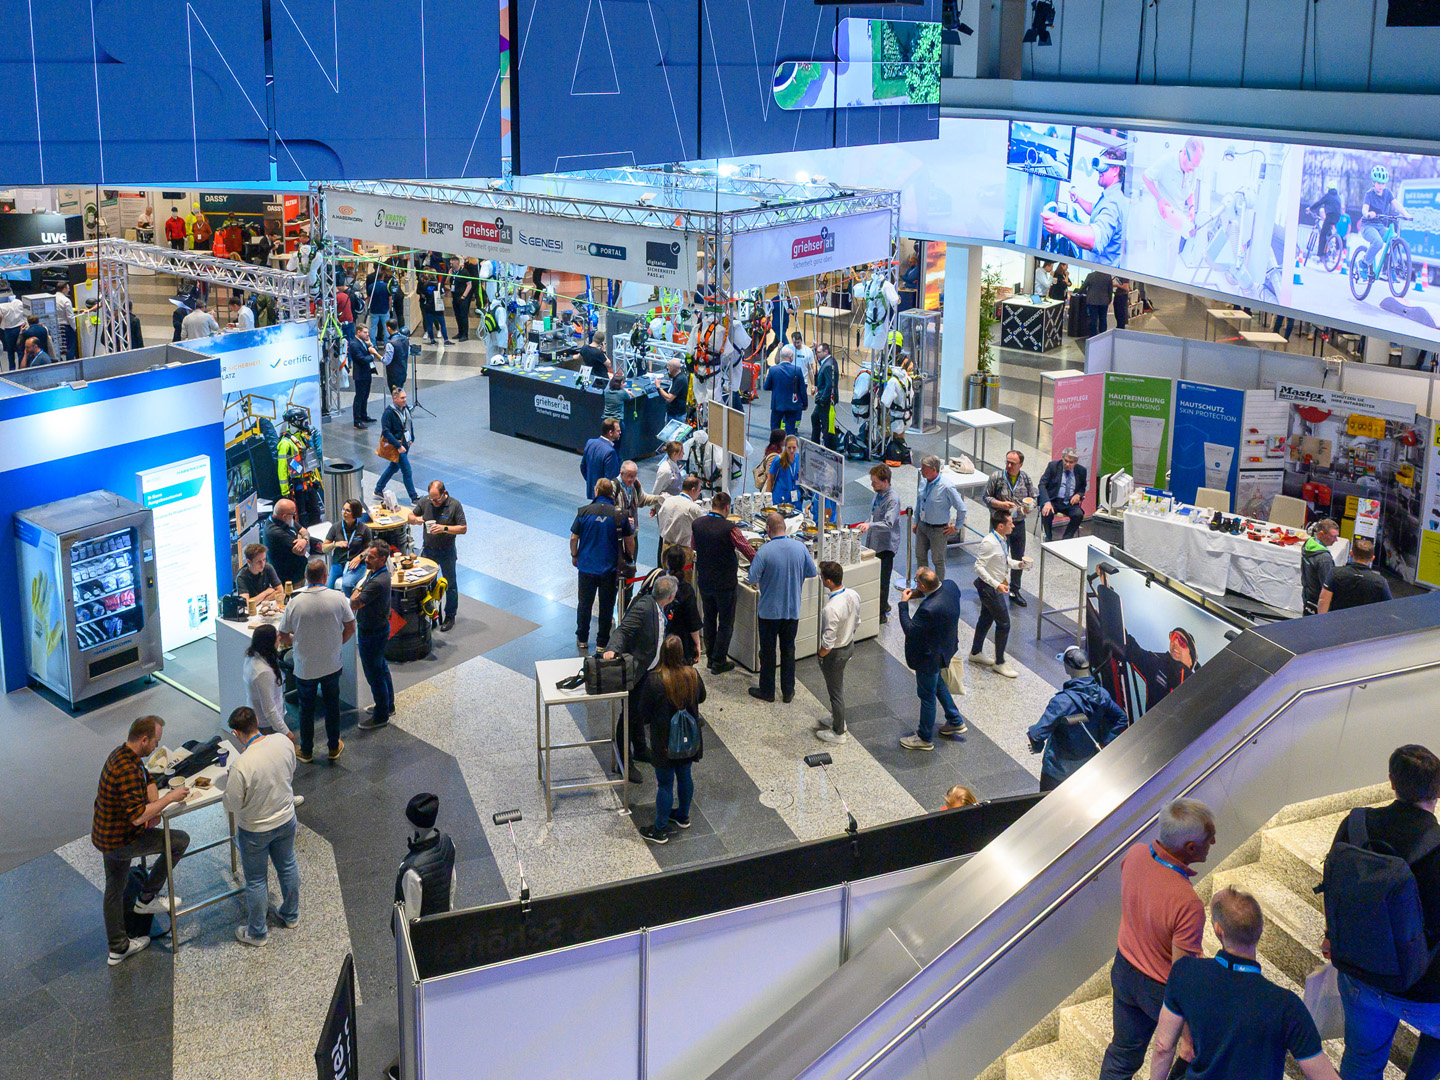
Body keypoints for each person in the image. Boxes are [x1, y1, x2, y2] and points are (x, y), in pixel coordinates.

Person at [1322, 744, 1440, 1080]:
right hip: (1426, 990)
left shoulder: (1356, 824)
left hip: (1360, 974)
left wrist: (1331, 936)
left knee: (1361, 1061)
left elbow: (1334, 887)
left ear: (1391, 782)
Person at [1149, 888, 1335, 1080]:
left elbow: (1163, 1047)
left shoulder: (1185, 972)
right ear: (1260, 930)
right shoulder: (1286, 1005)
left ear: (1218, 929)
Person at [1097, 798, 1216, 1080]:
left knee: (1122, 1055)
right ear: (1190, 847)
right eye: (1209, 838)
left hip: (1124, 969)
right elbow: (1181, 975)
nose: (1213, 842)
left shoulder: (1136, 854)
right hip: (1157, 989)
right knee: (1199, 1051)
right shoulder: (1188, 903)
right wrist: (1188, 1035)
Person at [92, 716, 191, 966]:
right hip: (121, 840)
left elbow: (146, 777)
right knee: (179, 840)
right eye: (156, 742)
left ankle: (118, 948)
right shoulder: (126, 768)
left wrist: (152, 807)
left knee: (114, 888)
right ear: (144, 739)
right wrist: (169, 799)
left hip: (105, 835)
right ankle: (147, 897)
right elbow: (137, 818)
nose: (157, 747)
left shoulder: (123, 755)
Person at [223, 706, 301, 947]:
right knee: (287, 865)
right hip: (286, 818)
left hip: (255, 830)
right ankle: (290, 915)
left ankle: (257, 932)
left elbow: (231, 803)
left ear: (236, 733)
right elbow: (291, 770)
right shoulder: (282, 741)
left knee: (256, 880)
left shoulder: (241, 764)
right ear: (257, 721)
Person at [278, 558, 355, 763]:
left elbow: (283, 635)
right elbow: (350, 627)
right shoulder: (338, 598)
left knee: (306, 709)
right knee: (331, 707)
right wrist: (337, 643)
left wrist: (296, 640)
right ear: (325, 575)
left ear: (306, 578)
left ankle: (307, 750)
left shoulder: (295, 603)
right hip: (332, 663)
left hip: (305, 667)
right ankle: (333, 747)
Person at [604, 575, 678, 783]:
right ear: (671, 596)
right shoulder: (644, 607)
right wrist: (611, 650)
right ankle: (624, 762)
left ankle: (640, 749)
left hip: (647, 670)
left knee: (639, 712)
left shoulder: (660, 607)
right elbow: (624, 630)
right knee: (628, 714)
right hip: (634, 672)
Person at [1027, 646, 1128, 790]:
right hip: (1087, 767)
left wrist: (1037, 746)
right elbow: (1121, 718)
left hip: (1057, 771)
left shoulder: (1061, 702)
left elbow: (1038, 734)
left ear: (1067, 668)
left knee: (1048, 807)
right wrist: (1106, 741)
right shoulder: (1102, 695)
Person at [637, 635, 706, 843]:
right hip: (689, 740)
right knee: (685, 776)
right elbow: (701, 697)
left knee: (665, 784)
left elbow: (644, 713)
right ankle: (683, 816)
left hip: (664, 742)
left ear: (663, 654)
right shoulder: (692, 674)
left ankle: (659, 829)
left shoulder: (654, 680)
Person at [747, 512, 818, 704]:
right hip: (792, 610)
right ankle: (788, 691)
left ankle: (767, 691)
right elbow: (812, 571)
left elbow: (752, 578)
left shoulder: (764, 551)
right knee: (788, 650)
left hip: (769, 612)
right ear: (785, 528)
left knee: (768, 652)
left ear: (768, 529)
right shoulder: (800, 548)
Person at [896, 567, 966, 751]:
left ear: (923, 585)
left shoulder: (928, 609)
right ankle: (955, 720)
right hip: (945, 648)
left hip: (928, 656)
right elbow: (934, 593)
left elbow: (910, 630)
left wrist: (903, 604)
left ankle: (924, 737)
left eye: (917, 582)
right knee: (937, 684)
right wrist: (918, 594)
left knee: (927, 696)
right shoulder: (951, 587)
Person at [690, 490, 754, 676]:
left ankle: (710, 657)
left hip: (705, 580)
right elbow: (748, 551)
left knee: (709, 619)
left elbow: (694, 546)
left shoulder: (698, 524)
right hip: (725, 583)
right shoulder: (730, 528)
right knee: (726, 622)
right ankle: (719, 661)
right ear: (727, 507)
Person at [572, 477, 635, 653]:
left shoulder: (584, 512)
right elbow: (630, 541)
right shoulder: (620, 514)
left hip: (586, 567)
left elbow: (573, 538)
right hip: (610, 569)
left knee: (584, 603)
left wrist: (574, 555)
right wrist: (629, 557)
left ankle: (582, 638)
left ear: (597, 491)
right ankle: (602, 642)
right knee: (607, 605)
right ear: (612, 493)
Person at [969, 508, 1029, 679]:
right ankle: (1000, 662)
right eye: (1010, 524)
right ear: (1001, 526)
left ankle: (975, 652)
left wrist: (1019, 565)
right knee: (1004, 624)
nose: (1013, 527)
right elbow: (978, 567)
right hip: (989, 588)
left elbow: (1003, 559)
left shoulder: (1001, 539)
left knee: (986, 618)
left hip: (993, 586)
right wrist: (997, 584)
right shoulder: (989, 542)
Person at [1043, 145, 1128, 266]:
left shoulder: (1113, 201)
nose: (1098, 170)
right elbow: (1097, 211)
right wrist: (1078, 200)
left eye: (1103, 165)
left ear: (1115, 170)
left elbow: (1095, 239)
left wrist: (1060, 226)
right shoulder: (1111, 196)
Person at [1141, 137, 1205, 278]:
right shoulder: (1167, 162)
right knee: (1160, 270)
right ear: (1184, 153)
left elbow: (1191, 191)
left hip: (1178, 225)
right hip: (1162, 224)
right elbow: (1146, 177)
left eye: (1196, 166)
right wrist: (1159, 199)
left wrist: (1192, 207)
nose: (1193, 169)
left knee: (1171, 269)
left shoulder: (1192, 170)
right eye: (1192, 165)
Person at [408, 480, 466, 631]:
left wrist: (444, 528)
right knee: (428, 583)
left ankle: (450, 616)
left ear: (444, 494)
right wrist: (416, 520)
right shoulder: (426, 501)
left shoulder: (454, 505)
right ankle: (432, 614)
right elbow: (410, 516)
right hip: (428, 550)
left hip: (447, 551)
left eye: (437, 499)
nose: (434, 502)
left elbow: (463, 528)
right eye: (431, 499)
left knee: (450, 584)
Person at [351, 540, 396, 731]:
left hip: (372, 632)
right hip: (377, 628)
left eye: (371, 557)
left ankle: (381, 716)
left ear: (383, 559)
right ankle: (388, 705)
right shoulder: (376, 572)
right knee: (381, 668)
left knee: (374, 673)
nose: (366, 559)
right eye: (367, 555)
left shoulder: (378, 581)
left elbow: (355, 603)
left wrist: (356, 591)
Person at [982, 450, 1037, 605]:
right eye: (1007, 462)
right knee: (995, 555)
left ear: (1020, 464)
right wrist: (1001, 504)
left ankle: (1014, 590)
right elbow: (985, 497)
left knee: (1018, 556)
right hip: (1000, 524)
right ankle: (992, 586)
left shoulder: (1025, 478)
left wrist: (1030, 506)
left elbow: (1034, 497)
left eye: (1013, 463)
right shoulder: (997, 477)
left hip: (1018, 523)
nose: (1009, 465)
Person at [816, 561, 860, 745]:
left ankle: (838, 731)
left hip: (835, 653)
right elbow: (857, 621)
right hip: (849, 644)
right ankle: (836, 718)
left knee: (835, 691)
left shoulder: (831, 608)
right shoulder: (853, 594)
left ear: (828, 582)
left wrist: (821, 654)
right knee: (837, 687)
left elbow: (828, 640)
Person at [395, 792, 456, 921]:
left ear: (414, 823)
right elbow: (451, 884)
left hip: (425, 935)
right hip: (444, 920)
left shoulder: (412, 870)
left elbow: (411, 919)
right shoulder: (448, 842)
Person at [856, 463, 901, 622]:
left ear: (885, 481)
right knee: (874, 577)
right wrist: (867, 523)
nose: (872, 484)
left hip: (885, 546)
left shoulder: (893, 500)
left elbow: (888, 524)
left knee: (882, 581)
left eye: (875, 482)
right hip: (873, 542)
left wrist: (870, 525)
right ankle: (882, 605)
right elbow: (873, 515)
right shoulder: (878, 493)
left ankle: (881, 614)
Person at [914, 455, 969, 581]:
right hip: (923, 525)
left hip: (938, 529)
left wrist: (956, 527)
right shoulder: (923, 481)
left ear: (934, 470)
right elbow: (919, 502)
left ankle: (939, 589)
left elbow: (961, 508)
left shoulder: (946, 486)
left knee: (938, 560)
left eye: (924, 468)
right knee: (920, 556)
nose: (921, 470)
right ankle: (922, 585)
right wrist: (916, 521)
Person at [1127, 626, 1201, 715]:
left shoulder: (1198, 683)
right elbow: (1133, 651)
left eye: (1182, 641)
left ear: (1191, 657)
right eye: (1173, 637)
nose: (1175, 642)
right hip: (1154, 727)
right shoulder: (1158, 663)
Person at [244, 624, 295, 743]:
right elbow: (269, 709)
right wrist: (286, 732)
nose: (280, 639)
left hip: (264, 720)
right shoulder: (263, 672)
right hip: (268, 725)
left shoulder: (252, 657)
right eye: (277, 637)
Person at [1361, 165, 1414, 276]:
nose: (1381, 186)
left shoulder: (1387, 193)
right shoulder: (1369, 194)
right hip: (1368, 226)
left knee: (1395, 239)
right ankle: (1364, 263)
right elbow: (1364, 209)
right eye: (1379, 183)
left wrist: (1406, 214)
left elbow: (1396, 204)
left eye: (1383, 184)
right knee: (1378, 242)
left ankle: (1390, 269)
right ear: (1373, 182)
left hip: (1380, 226)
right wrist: (1368, 214)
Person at [1318, 536, 1392, 613]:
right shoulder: (1380, 581)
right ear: (1372, 558)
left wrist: (1323, 621)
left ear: (1351, 553)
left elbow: (1323, 600)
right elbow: (1389, 608)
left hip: (1337, 621)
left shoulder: (1335, 573)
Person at [660, 545, 703, 664]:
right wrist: (697, 643)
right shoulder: (686, 590)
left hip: (661, 638)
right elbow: (693, 621)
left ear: (666, 562)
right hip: (682, 643)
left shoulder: (660, 584)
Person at [377, 387, 420, 503]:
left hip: (405, 443)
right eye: (402, 398)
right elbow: (386, 432)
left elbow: (410, 423)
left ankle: (378, 488)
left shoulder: (405, 409)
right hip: (397, 446)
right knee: (407, 470)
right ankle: (414, 497)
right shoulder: (388, 413)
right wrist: (398, 446)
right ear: (394, 398)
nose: (405, 400)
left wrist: (412, 438)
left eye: (405, 397)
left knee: (394, 467)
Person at [1038, 447, 1087, 542]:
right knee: (1047, 512)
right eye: (1066, 461)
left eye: (1071, 462)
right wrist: (1047, 502)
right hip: (1053, 500)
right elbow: (1042, 484)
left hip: (1069, 502)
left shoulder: (1081, 471)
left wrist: (1078, 495)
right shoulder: (1053, 466)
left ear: (1076, 462)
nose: (1067, 464)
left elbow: (1082, 488)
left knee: (1078, 515)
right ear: (1062, 458)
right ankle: (1048, 537)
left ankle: (1066, 539)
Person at [657, 475, 706, 571]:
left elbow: (660, 520)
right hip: (684, 552)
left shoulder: (668, 501)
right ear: (693, 490)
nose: (699, 493)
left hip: (666, 547)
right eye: (698, 490)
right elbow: (705, 525)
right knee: (684, 581)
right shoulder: (693, 508)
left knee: (668, 580)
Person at [323, 499, 372, 593]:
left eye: (347, 510)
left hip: (355, 564)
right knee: (329, 590)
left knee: (347, 585)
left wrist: (360, 557)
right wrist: (335, 544)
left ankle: (350, 606)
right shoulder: (336, 527)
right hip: (338, 562)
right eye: (343, 509)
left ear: (355, 513)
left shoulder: (364, 529)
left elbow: (369, 548)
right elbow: (324, 548)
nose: (344, 512)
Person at [265, 498, 311, 588]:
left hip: (298, 573)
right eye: (293, 514)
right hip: (289, 580)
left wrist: (304, 540)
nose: (294, 517)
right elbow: (301, 551)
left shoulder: (285, 520)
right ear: (284, 516)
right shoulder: (275, 532)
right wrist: (301, 538)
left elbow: (304, 530)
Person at [764, 345, 808, 435]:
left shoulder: (773, 370)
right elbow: (802, 389)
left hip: (777, 403)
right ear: (791, 357)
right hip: (792, 404)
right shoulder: (797, 370)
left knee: (775, 430)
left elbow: (766, 386)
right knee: (790, 431)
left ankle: (775, 446)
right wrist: (805, 404)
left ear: (781, 356)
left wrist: (776, 387)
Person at [1301, 518, 1340, 615]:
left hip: (1307, 595)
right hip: (1317, 600)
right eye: (1333, 536)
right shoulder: (1324, 559)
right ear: (1321, 534)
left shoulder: (1308, 544)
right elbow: (1327, 585)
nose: (1336, 540)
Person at [348, 323, 381, 429]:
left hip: (367, 373)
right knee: (359, 397)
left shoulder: (364, 342)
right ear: (358, 332)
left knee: (365, 396)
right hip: (360, 375)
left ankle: (364, 415)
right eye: (365, 332)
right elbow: (361, 359)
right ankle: (357, 420)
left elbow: (373, 349)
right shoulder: (354, 344)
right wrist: (372, 356)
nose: (367, 334)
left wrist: (370, 344)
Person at [581, 417, 623, 500]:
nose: (620, 433)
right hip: (605, 497)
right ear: (610, 433)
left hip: (593, 491)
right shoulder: (610, 452)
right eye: (618, 431)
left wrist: (592, 484)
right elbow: (611, 479)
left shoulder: (590, 442)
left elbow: (583, 467)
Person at [812, 342, 839, 448]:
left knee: (826, 425)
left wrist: (823, 400)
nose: (817, 354)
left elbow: (829, 385)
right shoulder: (828, 361)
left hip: (825, 400)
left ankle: (827, 447)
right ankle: (815, 443)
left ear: (826, 352)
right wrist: (815, 349)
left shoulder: (828, 366)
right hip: (824, 399)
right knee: (815, 417)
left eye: (818, 352)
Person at [1308, 184, 1344, 265]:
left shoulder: (1328, 196)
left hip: (1330, 216)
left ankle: (1320, 254)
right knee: (1328, 231)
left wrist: (1310, 208)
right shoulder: (1338, 197)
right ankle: (1331, 242)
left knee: (1323, 235)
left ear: (1328, 188)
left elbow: (1319, 203)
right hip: (1337, 217)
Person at [767, 434, 803, 508]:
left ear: (798, 447)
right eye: (789, 448)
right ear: (785, 447)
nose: (792, 450)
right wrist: (768, 499)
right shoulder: (778, 460)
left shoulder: (800, 458)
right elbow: (770, 480)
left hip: (795, 499)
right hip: (780, 498)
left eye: (794, 448)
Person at [657, 357, 691, 421]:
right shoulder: (678, 377)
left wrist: (658, 387)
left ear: (672, 369)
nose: (667, 370)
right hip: (672, 414)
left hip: (677, 416)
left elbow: (669, 398)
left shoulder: (680, 380)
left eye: (668, 367)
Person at [383, 318, 411, 391]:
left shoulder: (390, 343)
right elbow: (407, 353)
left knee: (396, 394)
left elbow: (386, 361)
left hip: (393, 374)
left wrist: (376, 354)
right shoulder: (405, 339)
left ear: (388, 328)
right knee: (401, 391)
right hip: (403, 370)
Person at [450, 258, 475, 342]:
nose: (451, 265)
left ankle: (465, 334)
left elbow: (469, 285)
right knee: (457, 315)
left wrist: (464, 296)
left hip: (462, 297)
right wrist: (449, 275)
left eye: (452, 264)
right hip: (455, 296)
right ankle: (460, 332)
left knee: (463, 316)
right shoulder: (452, 272)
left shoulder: (464, 272)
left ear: (457, 263)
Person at [0, 288, 25, 369]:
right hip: (20, 328)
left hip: (9, 330)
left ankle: (12, 369)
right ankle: (22, 369)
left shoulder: (2, 306)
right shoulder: (18, 302)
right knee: (20, 350)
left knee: (10, 352)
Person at [367, 266, 392, 343]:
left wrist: (369, 307)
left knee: (373, 327)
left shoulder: (371, 286)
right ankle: (386, 343)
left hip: (374, 310)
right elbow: (390, 298)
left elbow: (369, 298)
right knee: (386, 327)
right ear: (383, 277)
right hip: (384, 309)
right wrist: (390, 308)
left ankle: (373, 343)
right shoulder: (387, 286)